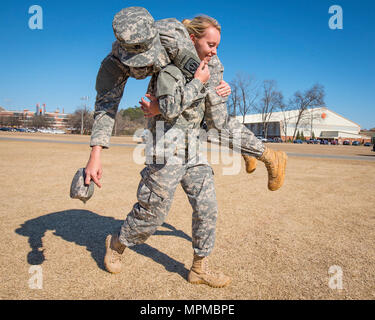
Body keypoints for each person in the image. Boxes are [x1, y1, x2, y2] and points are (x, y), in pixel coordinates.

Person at [85, 7, 287, 193]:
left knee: (217, 124)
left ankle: (269, 156)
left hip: (202, 69)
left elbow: (201, 82)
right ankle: (243, 146)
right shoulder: (112, 66)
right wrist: (95, 156)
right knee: (174, 123)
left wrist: (163, 107)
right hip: (169, 76)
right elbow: (105, 108)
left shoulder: (175, 40)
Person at [104, 10, 231, 288]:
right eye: (210, 45)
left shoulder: (206, 69)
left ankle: (199, 267)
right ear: (193, 38)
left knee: (207, 208)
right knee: (153, 214)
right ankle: (117, 243)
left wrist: (221, 91)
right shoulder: (167, 66)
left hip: (193, 149)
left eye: (217, 46)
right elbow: (170, 108)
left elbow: (212, 117)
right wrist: (198, 83)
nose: (214, 51)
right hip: (166, 147)